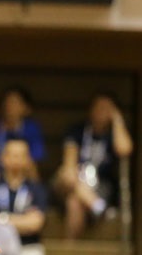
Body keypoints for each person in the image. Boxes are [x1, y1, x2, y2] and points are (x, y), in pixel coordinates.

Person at [53, 92, 134, 239]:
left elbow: (125, 149)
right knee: (66, 175)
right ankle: (97, 206)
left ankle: (71, 250)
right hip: (74, 180)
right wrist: (78, 182)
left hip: (100, 185)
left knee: (74, 203)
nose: (101, 112)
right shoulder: (77, 131)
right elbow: (69, 163)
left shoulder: (112, 134)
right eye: (98, 107)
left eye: (106, 108)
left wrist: (117, 120)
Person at [0, 85, 45, 176]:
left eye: (16, 103)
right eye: (8, 102)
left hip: (22, 172)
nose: (10, 107)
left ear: (27, 108)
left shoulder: (32, 129)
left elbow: (36, 157)